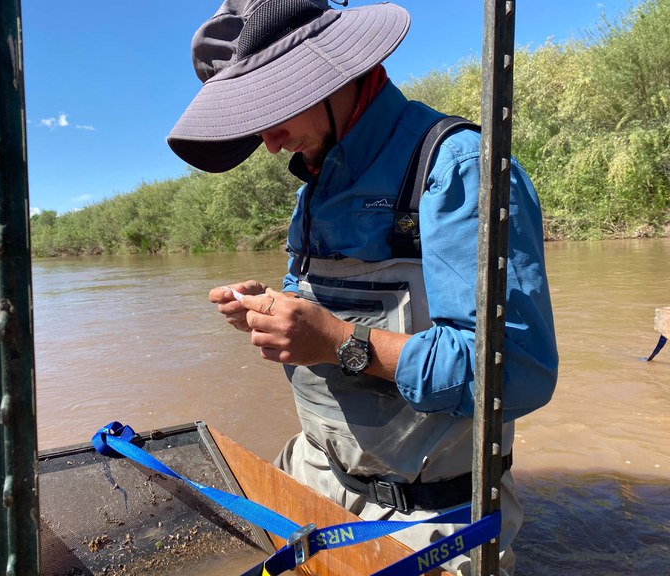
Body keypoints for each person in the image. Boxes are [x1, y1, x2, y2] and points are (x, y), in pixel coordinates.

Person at [168, 1, 558, 574]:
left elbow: (517, 372)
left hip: (427, 517)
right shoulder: (314, 185)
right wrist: (273, 308)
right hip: (313, 474)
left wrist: (336, 341)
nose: (270, 143)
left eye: (275, 107)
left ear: (332, 75)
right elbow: (318, 305)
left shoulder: (457, 169)